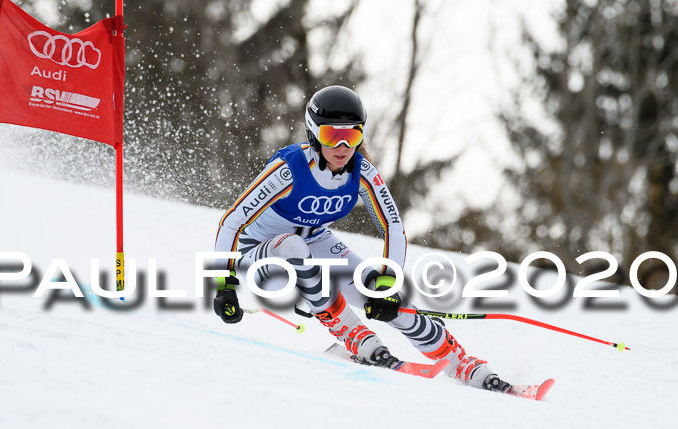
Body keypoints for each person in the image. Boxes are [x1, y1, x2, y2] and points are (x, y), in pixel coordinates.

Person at [212, 85, 510, 392]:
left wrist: (387, 286)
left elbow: (392, 226)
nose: (342, 146)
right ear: (314, 133)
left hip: (314, 242)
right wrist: (224, 285)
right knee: (292, 245)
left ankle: (460, 363)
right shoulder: (289, 169)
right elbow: (231, 222)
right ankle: (354, 335)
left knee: (376, 288)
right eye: (332, 136)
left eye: (352, 136)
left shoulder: (362, 172)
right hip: (257, 256)